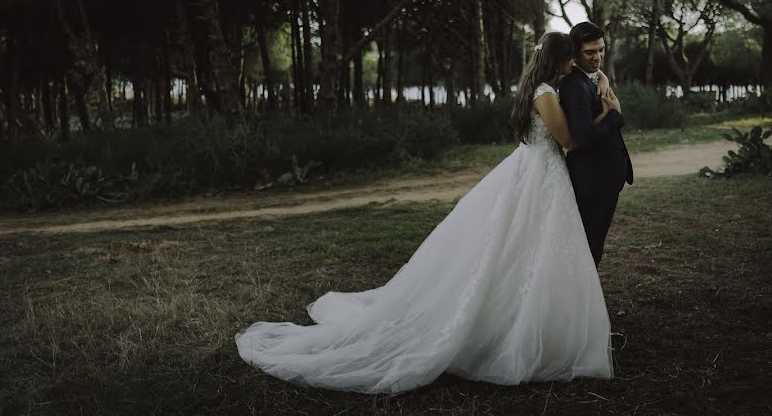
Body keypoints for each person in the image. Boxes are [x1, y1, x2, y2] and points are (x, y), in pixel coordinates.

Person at [235, 32, 613, 394]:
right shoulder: (546, 93)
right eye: (571, 57)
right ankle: (510, 328)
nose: (576, 61)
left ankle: (533, 323)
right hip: (541, 175)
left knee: (523, 251)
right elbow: (567, 140)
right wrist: (608, 112)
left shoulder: (540, 88)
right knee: (517, 249)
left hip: (537, 173)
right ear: (559, 59)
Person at [560, 22, 634, 267]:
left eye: (601, 50)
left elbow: (597, 75)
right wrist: (615, 116)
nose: (598, 57)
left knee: (593, 244)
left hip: (602, 177)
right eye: (590, 52)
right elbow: (583, 139)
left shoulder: (590, 77)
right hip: (593, 181)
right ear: (574, 52)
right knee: (591, 246)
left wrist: (602, 77)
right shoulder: (574, 87)